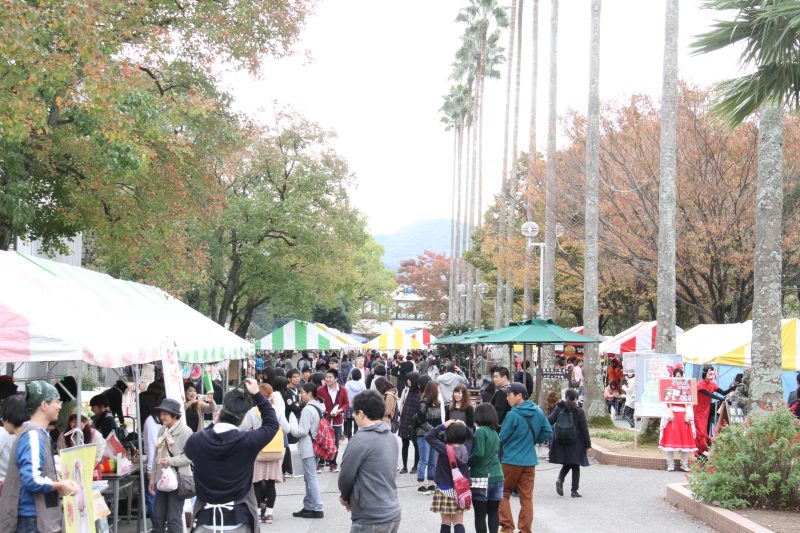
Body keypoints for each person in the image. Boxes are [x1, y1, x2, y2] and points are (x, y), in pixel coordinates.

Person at [185, 377, 280, 532]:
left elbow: (190, 449)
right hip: (239, 519)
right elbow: (272, 423)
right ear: (242, 420)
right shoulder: (247, 442)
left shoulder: (196, 441)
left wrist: (213, 424)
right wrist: (257, 394)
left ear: (220, 412)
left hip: (204, 520)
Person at [0, 381, 80, 533]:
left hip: (32, 518)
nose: (60, 406)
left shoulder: (34, 433)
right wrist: (60, 485)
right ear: (44, 405)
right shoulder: (33, 436)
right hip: (31, 519)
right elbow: (32, 479)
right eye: (57, 401)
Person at [338, 390, 402, 533]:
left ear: (361, 413)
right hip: (392, 511)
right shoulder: (390, 437)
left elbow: (346, 476)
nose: (354, 416)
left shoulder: (360, 440)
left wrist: (345, 497)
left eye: (354, 413)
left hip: (370, 516)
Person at [498, 383, 553, 533]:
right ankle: (525, 530)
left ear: (519, 396)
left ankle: (507, 527)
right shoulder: (538, 411)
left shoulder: (512, 414)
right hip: (529, 460)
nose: (507, 397)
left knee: (502, 493)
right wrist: (533, 439)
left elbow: (502, 437)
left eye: (509, 395)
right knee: (526, 498)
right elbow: (548, 431)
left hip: (511, 460)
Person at [240, 383, 291, 525]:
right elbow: (287, 429)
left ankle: (256, 513)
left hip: (257, 451)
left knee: (256, 483)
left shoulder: (252, 411)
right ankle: (269, 514)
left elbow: (242, 428)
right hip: (274, 451)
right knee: (270, 484)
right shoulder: (277, 410)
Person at [149, 398, 193, 533]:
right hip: (162, 478)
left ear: (175, 415)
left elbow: (190, 457)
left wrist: (171, 461)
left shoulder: (186, 431)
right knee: (158, 517)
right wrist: (152, 479)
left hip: (179, 479)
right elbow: (157, 455)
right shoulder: (162, 431)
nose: (162, 417)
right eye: (161, 414)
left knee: (174, 518)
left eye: (165, 414)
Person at [425, 419, 473, 533]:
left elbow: (429, 436)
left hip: (444, 489)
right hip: (460, 491)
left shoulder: (444, 448)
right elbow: (471, 437)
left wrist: (442, 426)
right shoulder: (466, 448)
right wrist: (465, 426)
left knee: (445, 522)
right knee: (459, 522)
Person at [288, 383, 325, 519]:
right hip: (316, 445)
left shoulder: (307, 409)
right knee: (309, 478)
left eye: (302, 392)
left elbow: (302, 431)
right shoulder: (318, 406)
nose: (300, 394)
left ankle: (317, 507)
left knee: (311, 478)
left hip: (308, 446)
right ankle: (309, 506)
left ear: (310, 393)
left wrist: (291, 428)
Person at [547, 389, 592, 497]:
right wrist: (588, 445)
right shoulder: (579, 411)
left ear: (565, 397)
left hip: (561, 441)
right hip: (575, 441)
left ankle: (560, 479)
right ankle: (574, 490)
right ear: (576, 398)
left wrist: (552, 434)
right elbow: (584, 429)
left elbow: (549, 421)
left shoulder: (559, 408)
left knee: (568, 463)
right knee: (575, 465)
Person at [468, 403, 504, 533]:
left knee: (480, 515)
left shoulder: (480, 432)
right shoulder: (495, 433)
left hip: (481, 477)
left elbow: (479, 453)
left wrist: (467, 462)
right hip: (498, 477)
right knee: (494, 512)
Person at [660, 365, 696, 471]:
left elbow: (689, 404)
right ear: (673, 377)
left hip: (684, 416)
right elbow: (666, 403)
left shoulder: (687, 388)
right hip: (672, 416)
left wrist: (688, 416)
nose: (678, 379)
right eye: (676, 377)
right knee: (670, 441)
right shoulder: (669, 387)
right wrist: (669, 414)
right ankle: (670, 464)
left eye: (680, 377)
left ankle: (684, 464)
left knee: (685, 441)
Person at [695, 366, 736, 455]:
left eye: (713, 374)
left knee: (704, 430)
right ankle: (699, 452)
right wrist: (722, 399)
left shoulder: (713, 384)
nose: (711, 376)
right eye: (710, 373)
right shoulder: (699, 385)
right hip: (698, 410)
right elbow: (710, 394)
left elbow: (724, 392)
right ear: (705, 373)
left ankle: (703, 451)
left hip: (707, 410)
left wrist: (733, 387)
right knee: (700, 431)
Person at [317, 369, 349, 472]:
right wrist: (324, 411)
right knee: (321, 440)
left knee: (335, 442)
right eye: (326, 377)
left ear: (336, 379)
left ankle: (333, 464)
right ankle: (320, 462)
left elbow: (346, 404)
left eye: (330, 377)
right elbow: (317, 402)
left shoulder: (343, 390)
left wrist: (340, 410)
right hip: (324, 419)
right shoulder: (320, 390)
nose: (327, 379)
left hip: (337, 419)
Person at [416, 381, 445, 494]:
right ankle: (420, 484)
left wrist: (438, 432)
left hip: (434, 435)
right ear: (433, 389)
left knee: (433, 460)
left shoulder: (437, 402)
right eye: (439, 388)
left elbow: (438, 420)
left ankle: (431, 482)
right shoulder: (423, 402)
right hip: (423, 434)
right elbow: (421, 420)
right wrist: (434, 431)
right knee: (424, 459)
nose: (440, 390)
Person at [0, 394, 29, 484]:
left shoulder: (25, 439)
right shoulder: (32, 434)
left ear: (7, 419)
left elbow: (30, 476)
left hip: (11, 488)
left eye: (3, 419)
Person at [398, 372, 422, 475]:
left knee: (416, 444)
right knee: (405, 444)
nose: (407, 381)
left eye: (409, 379)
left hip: (415, 422)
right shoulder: (406, 390)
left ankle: (415, 466)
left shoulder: (420, 393)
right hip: (405, 419)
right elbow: (402, 404)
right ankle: (404, 466)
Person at [143, 403, 162, 525]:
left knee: (152, 496)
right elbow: (152, 446)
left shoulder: (153, 421)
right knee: (154, 496)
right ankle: (159, 525)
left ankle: (158, 526)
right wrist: (150, 469)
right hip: (157, 464)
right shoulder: (152, 422)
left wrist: (150, 469)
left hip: (159, 464)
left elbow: (152, 446)